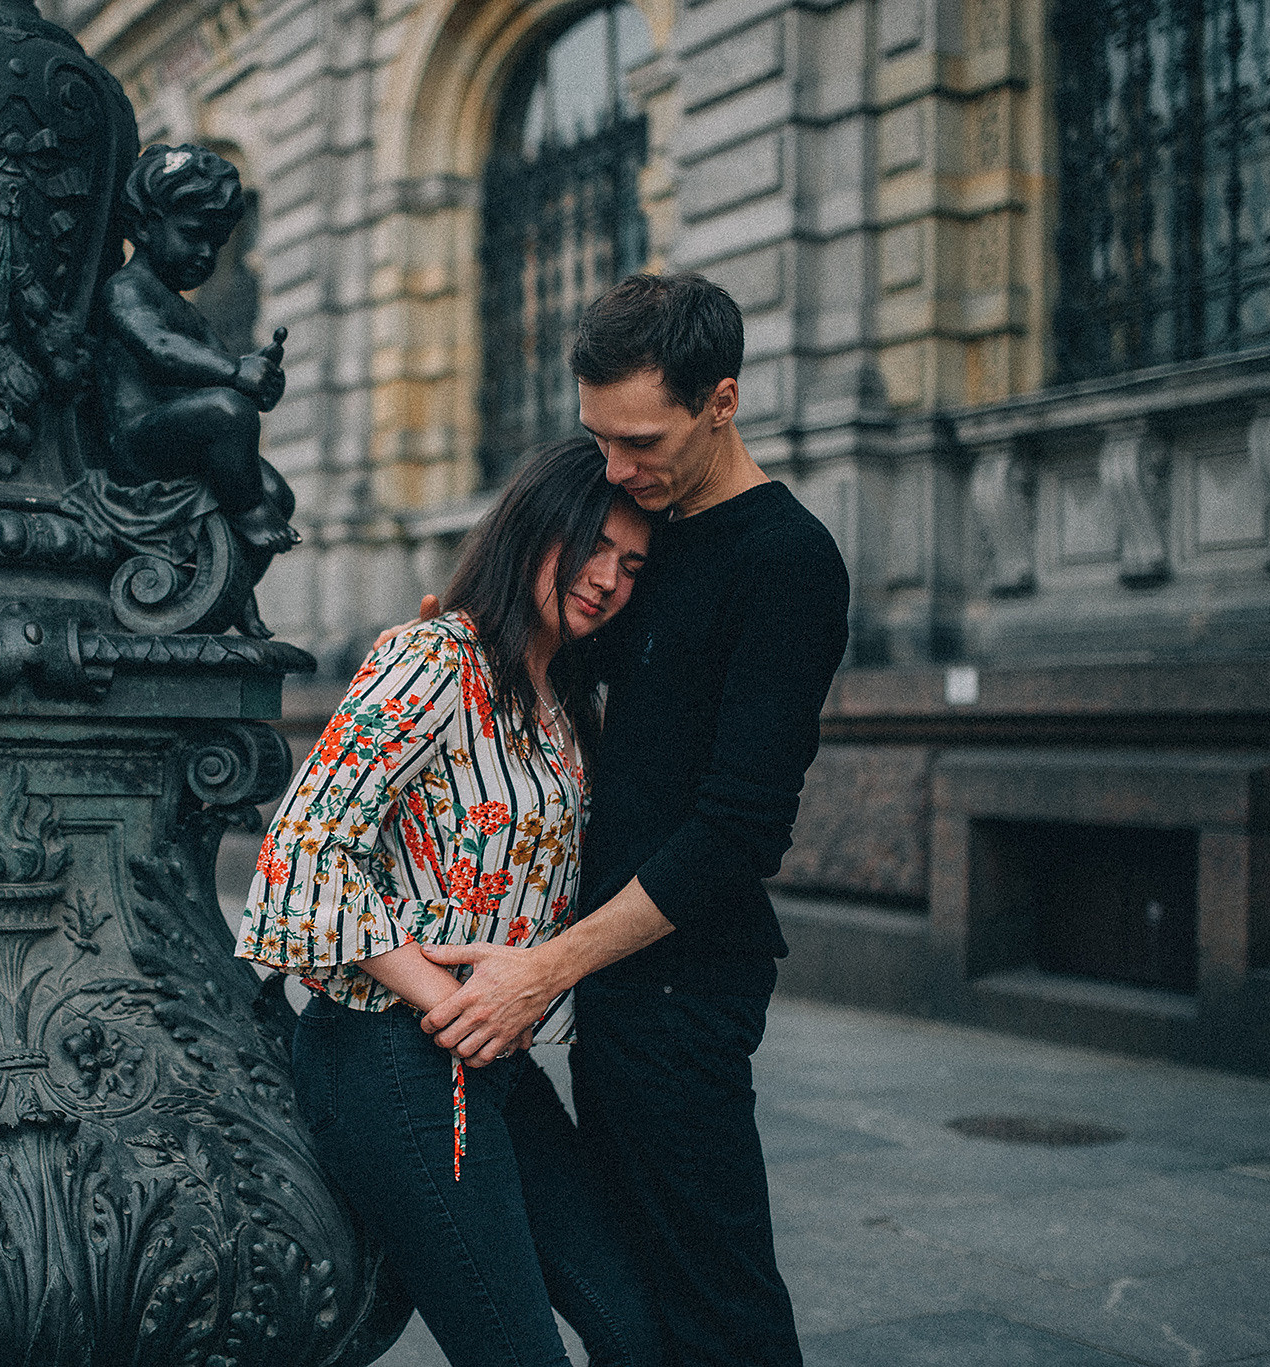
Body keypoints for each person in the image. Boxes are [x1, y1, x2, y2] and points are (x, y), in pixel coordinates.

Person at [411, 274, 851, 1365]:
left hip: (679, 989)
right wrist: (455, 638)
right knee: (636, 1300)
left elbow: (737, 830)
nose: (614, 468)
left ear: (721, 401)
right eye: (596, 439)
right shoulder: (640, 533)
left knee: (718, 1304)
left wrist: (543, 967)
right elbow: (552, 655)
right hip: (612, 986)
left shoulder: (786, 561)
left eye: (638, 439)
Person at [238, 438, 658, 1367]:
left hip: (495, 1062)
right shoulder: (433, 658)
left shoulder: (568, 699)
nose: (607, 578)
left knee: (638, 1327)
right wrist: (452, 1000)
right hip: (391, 1052)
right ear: (533, 529)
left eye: (631, 564)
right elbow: (303, 849)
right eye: (593, 544)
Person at [98, 143, 299, 560]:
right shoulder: (127, 289)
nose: (206, 253)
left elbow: (217, 369)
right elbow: (159, 347)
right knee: (226, 411)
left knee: (278, 493)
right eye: (192, 235)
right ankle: (249, 515)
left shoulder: (188, 312)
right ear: (147, 225)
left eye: (218, 242)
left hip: (181, 433)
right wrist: (234, 372)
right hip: (137, 440)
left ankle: (230, 583)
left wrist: (260, 379)